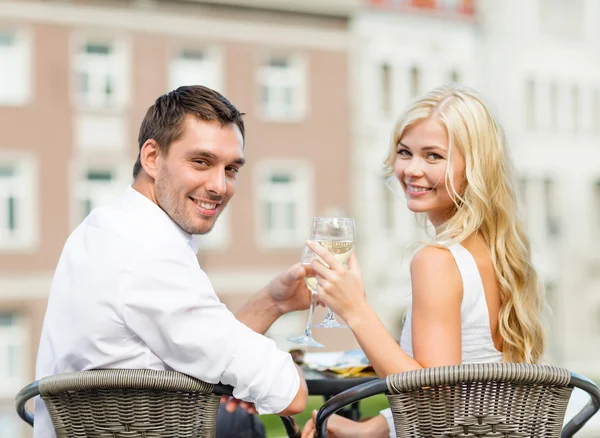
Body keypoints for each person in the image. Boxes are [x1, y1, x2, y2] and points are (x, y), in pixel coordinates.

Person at [34, 85, 309, 438]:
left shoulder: (105, 226)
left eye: (231, 169)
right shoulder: (150, 252)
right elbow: (290, 394)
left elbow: (198, 347)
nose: (220, 186)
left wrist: (275, 300)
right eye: (201, 162)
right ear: (152, 157)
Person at [301, 84, 547, 438]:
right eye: (405, 152)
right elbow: (467, 395)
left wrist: (355, 309)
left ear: (474, 167)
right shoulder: (498, 254)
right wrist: (373, 428)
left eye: (433, 156)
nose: (412, 170)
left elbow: (432, 398)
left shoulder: (436, 261)